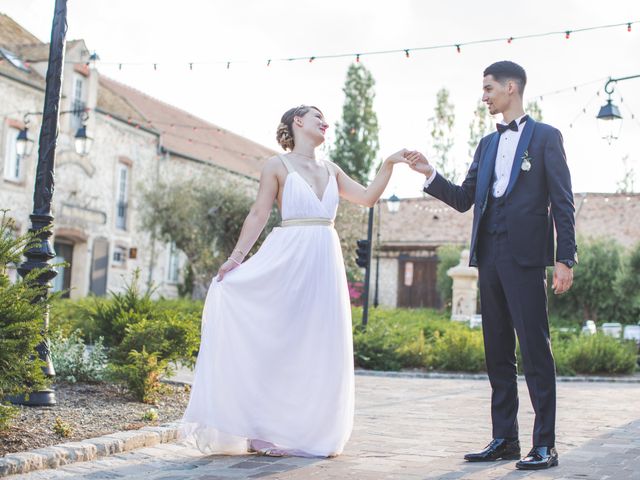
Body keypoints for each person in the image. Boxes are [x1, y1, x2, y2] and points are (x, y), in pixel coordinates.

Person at [180, 105, 408, 458]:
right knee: (279, 342)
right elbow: (258, 214)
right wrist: (235, 259)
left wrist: (389, 164)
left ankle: (307, 429)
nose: (326, 122)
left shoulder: (332, 170)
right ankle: (260, 430)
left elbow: (367, 198)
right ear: (297, 122)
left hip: (325, 260)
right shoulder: (277, 166)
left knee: (319, 344)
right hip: (288, 257)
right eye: (318, 116)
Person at [406, 61, 577, 471]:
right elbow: (465, 198)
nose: (483, 97)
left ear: (511, 87)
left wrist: (564, 258)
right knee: (497, 350)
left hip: (526, 258)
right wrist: (429, 172)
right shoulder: (485, 144)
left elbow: (563, 202)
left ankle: (545, 445)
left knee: (535, 351)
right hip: (490, 256)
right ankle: (505, 439)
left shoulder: (546, 137)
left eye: (488, 89)